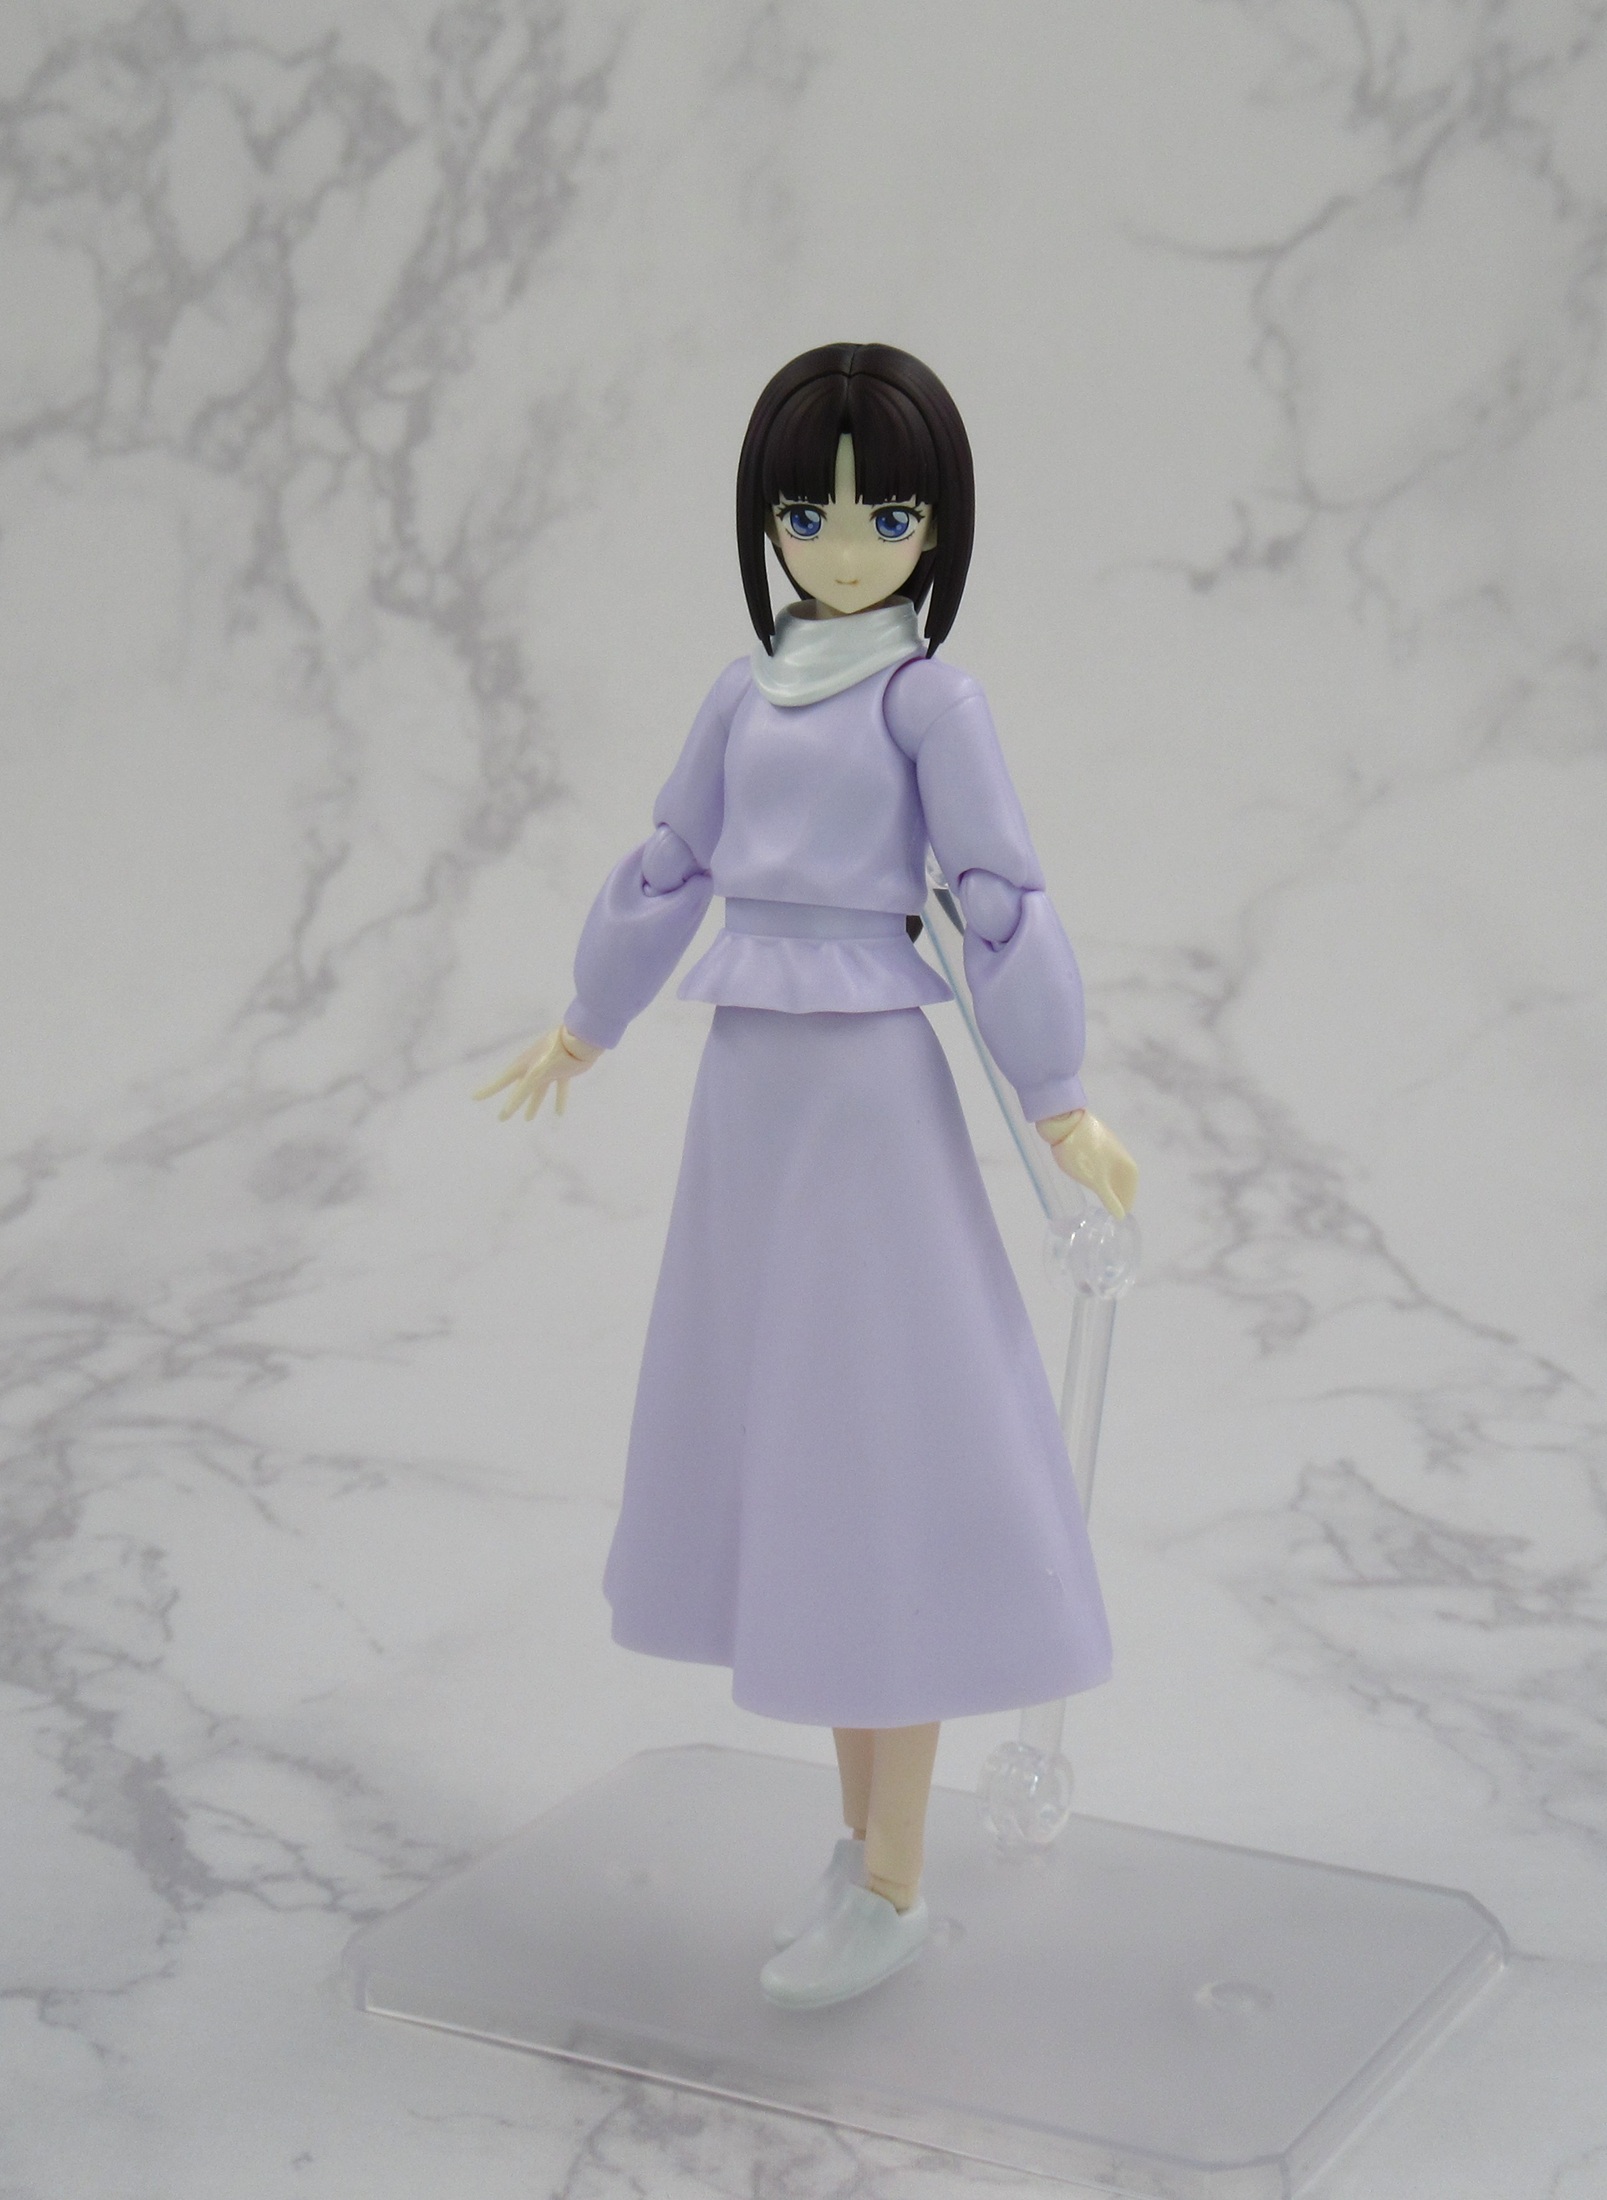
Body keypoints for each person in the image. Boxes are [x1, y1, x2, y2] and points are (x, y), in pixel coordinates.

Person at [477, 344, 1137, 2009]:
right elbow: (672, 861)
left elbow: (999, 897)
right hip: (752, 1101)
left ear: (937, 528)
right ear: (767, 522)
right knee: (807, 1468)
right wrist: (587, 1017)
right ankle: (863, 1856)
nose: (844, 548)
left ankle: (897, 1880)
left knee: (881, 1463)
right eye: (809, 513)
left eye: (884, 515)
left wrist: (1059, 1097)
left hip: (863, 1101)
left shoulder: (930, 705)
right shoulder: (744, 690)